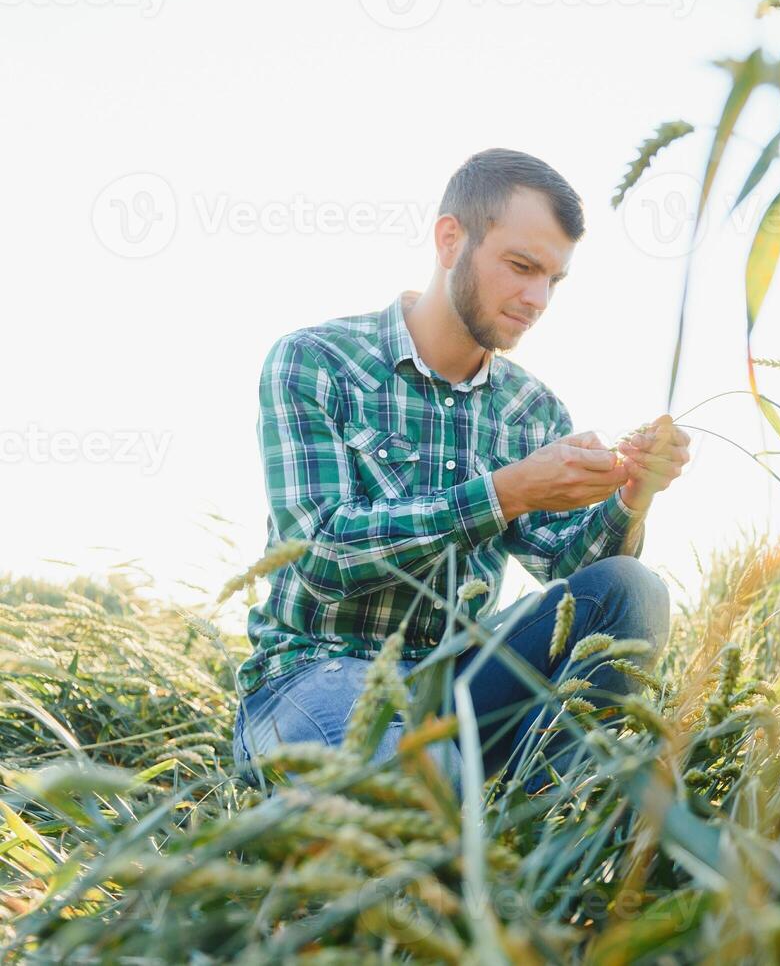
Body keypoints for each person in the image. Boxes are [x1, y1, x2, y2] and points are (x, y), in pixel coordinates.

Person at [230, 148, 690, 798]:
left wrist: (632, 495)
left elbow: (574, 571)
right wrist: (505, 494)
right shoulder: (316, 361)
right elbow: (319, 557)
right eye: (521, 267)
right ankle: (442, 814)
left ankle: (545, 825)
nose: (536, 299)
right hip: (316, 673)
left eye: (553, 281)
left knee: (630, 588)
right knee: (407, 791)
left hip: (459, 687)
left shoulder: (532, 409)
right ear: (451, 239)